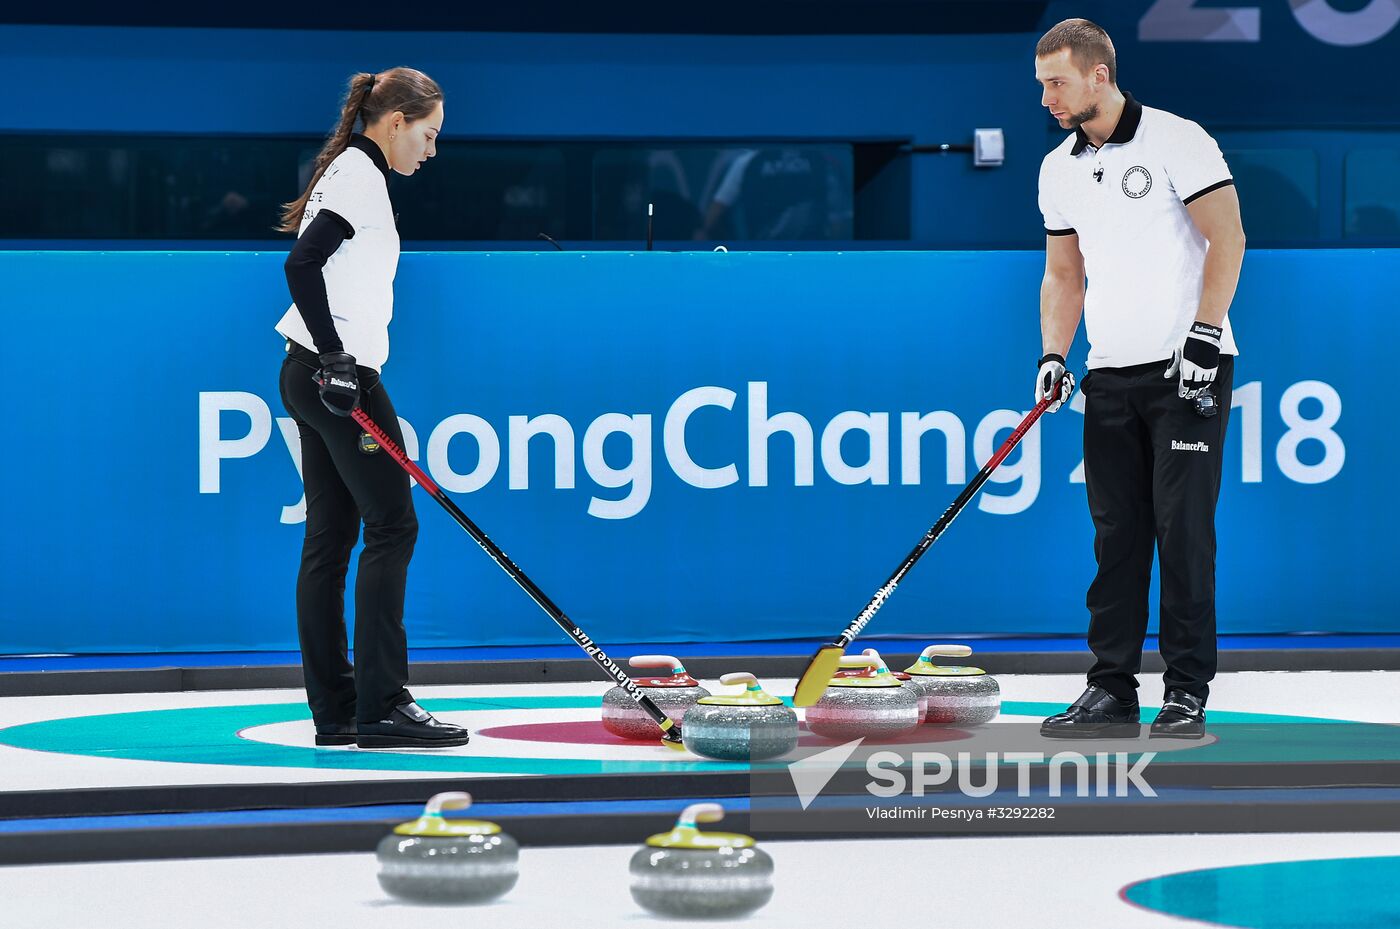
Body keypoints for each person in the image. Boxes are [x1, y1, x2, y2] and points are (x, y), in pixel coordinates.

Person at [1031, 20, 1246, 740]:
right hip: (1109, 374)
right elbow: (1064, 274)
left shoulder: (1177, 139)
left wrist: (1206, 333)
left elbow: (1228, 236)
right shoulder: (1057, 168)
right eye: (1042, 86)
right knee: (1117, 536)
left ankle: (1185, 690)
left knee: (1182, 532)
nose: (1047, 100)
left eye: (1057, 83)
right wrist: (1054, 354)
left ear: (1099, 74)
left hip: (1189, 369)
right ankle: (1111, 688)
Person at [275, 68, 469, 749]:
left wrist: (324, 360)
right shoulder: (360, 175)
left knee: (331, 538)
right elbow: (301, 264)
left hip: (307, 372)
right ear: (396, 122)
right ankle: (382, 704)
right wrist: (335, 358)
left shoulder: (351, 169)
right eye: (429, 134)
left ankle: (338, 708)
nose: (432, 149)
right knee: (393, 525)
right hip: (336, 377)